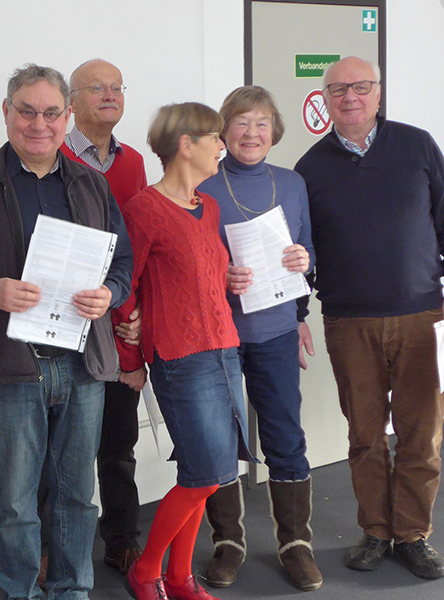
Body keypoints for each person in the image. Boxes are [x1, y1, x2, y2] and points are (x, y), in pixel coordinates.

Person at [0, 63, 132, 600]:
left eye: (50, 113)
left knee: (77, 495)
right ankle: (21, 591)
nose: (38, 124)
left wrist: (110, 294)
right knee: (17, 501)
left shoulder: (92, 184)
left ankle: (71, 590)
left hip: (82, 365)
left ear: (67, 117)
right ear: (6, 112)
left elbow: (122, 263)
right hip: (12, 367)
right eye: (26, 112)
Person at [294, 56, 444, 580]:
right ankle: (376, 530)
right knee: (364, 434)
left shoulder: (417, 145)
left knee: (422, 434)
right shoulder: (310, 168)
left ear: (378, 93)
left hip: (421, 315)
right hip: (349, 321)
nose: (350, 97)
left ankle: (413, 534)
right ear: (325, 100)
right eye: (338, 90)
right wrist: (297, 313)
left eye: (361, 87)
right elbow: (302, 253)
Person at [120, 102, 255, 600]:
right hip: (180, 358)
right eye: (215, 137)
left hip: (223, 350)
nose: (223, 145)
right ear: (186, 144)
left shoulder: (209, 206)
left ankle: (178, 578)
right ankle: (146, 570)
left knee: (210, 476)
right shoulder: (144, 210)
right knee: (203, 475)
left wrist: (227, 277)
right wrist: (131, 360)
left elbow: (199, 274)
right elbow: (124, 286)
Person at [198, 85, 320, 591]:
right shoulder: (202, 183)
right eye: (242, 122)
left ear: (274, 131)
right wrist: (219, 275)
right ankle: (228, 542)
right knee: (219, 440)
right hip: (218, 333)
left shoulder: (292, 183)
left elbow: (308, 250)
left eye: (262, 123)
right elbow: (186, 263)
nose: (252, 133)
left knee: (285, 436)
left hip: (275, 331)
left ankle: (296, 544)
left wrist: (304, 262)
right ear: (224, 130)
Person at [59, 58, 148, 573]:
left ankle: (121, 541)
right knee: (59, 451)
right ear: (72, 102)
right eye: (98, 88)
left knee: (118, 445)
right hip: (66, 324)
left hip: (118, 322)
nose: (110, 95)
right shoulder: (52, 158)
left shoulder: (132, 162)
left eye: (117, 87)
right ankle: (52, 550)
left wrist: (135, 315)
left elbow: (136, 253)